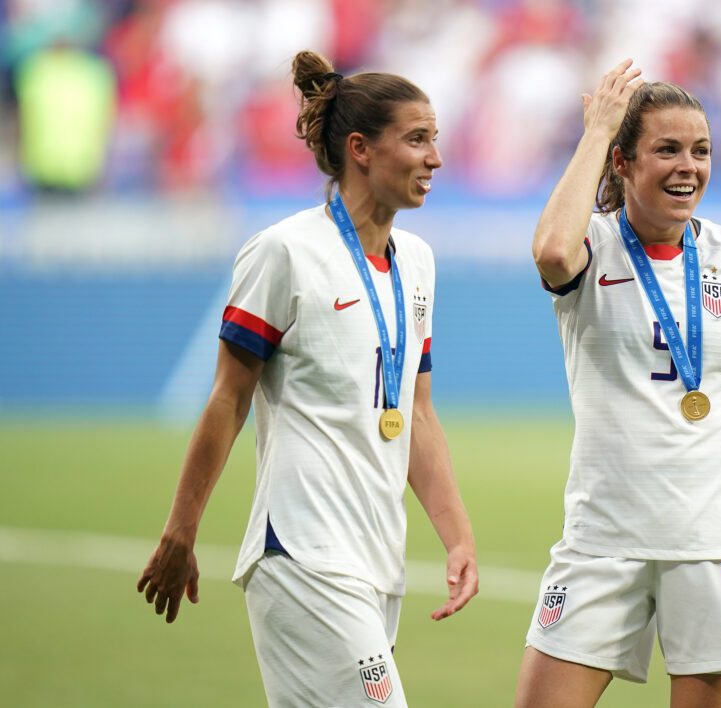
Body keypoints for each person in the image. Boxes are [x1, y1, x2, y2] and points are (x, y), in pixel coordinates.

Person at [137, 50, 478, 708]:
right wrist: (181, 530)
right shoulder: (284, 251)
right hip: (301, 552)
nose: (435, 157)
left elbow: (418, 414)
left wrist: (457, 535)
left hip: (378, 557)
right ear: (360, 149)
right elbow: (227, 398)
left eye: (435, 139)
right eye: (417, 139)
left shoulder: (420, 264)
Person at [515, 59, 721, 708]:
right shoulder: (590, 246)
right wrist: (596, 133)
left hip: (716, 538)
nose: (689, 166)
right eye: (667, 150)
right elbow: (549, 253)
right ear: (623, 163)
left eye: (701, 150)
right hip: (603, 535)